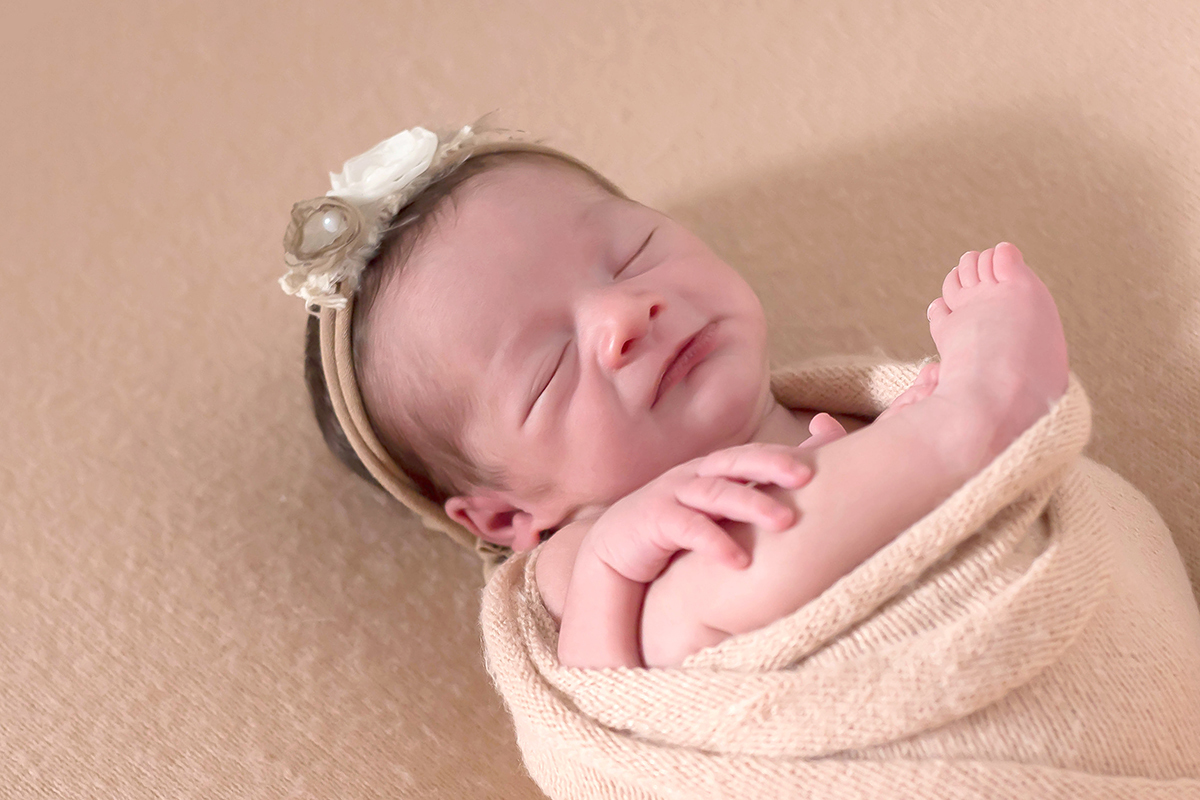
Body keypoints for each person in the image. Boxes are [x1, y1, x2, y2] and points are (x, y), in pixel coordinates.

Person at [282, 124, 1067, 669]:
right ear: (508, 517)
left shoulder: (855, 403)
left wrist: (889, 437)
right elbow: (611, 687)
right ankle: (975, 422)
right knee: (709, 574)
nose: (625, 314)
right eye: (550, 368)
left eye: (632, 256)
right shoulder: (576, 555)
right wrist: (618, 569)